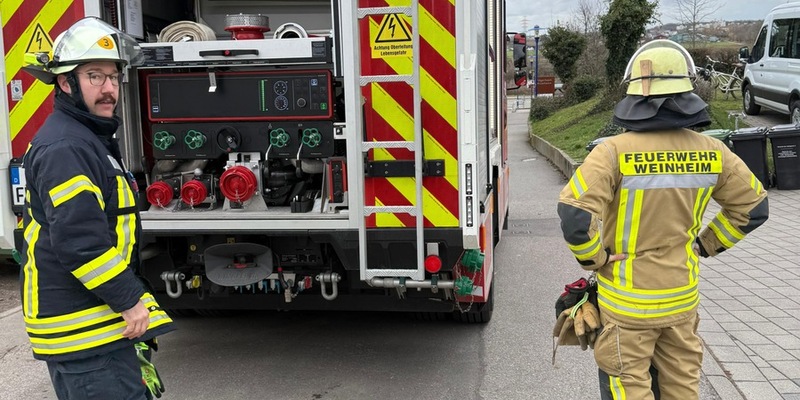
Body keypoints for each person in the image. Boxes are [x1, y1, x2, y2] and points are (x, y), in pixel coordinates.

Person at [557, 39, 769, 399]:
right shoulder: (714, 152)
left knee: (627, 386)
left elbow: (575, 216)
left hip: (626, 304)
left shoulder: (611, 152)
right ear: (687, 91)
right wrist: (705, 244)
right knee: (683, 387)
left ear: (634, 95)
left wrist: (597, 259)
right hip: (681, 301)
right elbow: (754, 208)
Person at [20, 17, 174, 399]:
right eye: (94, 76)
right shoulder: (66, 148)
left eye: (112, 77)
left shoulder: (85, 137)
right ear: (66, 82)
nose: (108, 89)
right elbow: (79, 242)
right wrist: (128, 300)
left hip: (96, 327)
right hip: (84, 333)